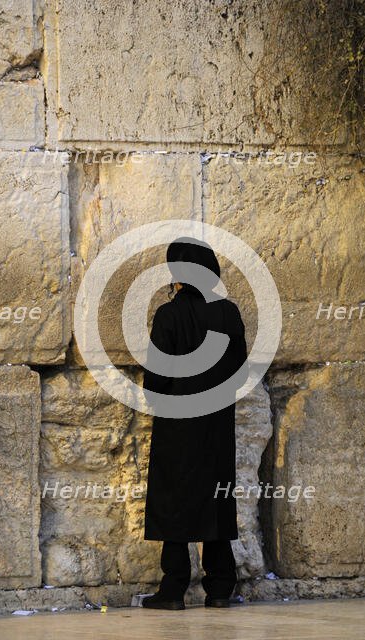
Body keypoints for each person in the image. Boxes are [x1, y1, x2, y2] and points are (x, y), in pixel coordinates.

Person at [141, 237, 248, 611]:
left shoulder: (169, 316)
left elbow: (156, 378)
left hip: (178, 422)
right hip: (218, 424)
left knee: (175, 498)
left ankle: (173, 589)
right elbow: (239, 372)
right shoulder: (229, 313)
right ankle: (220, 588)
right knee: (217, 498)